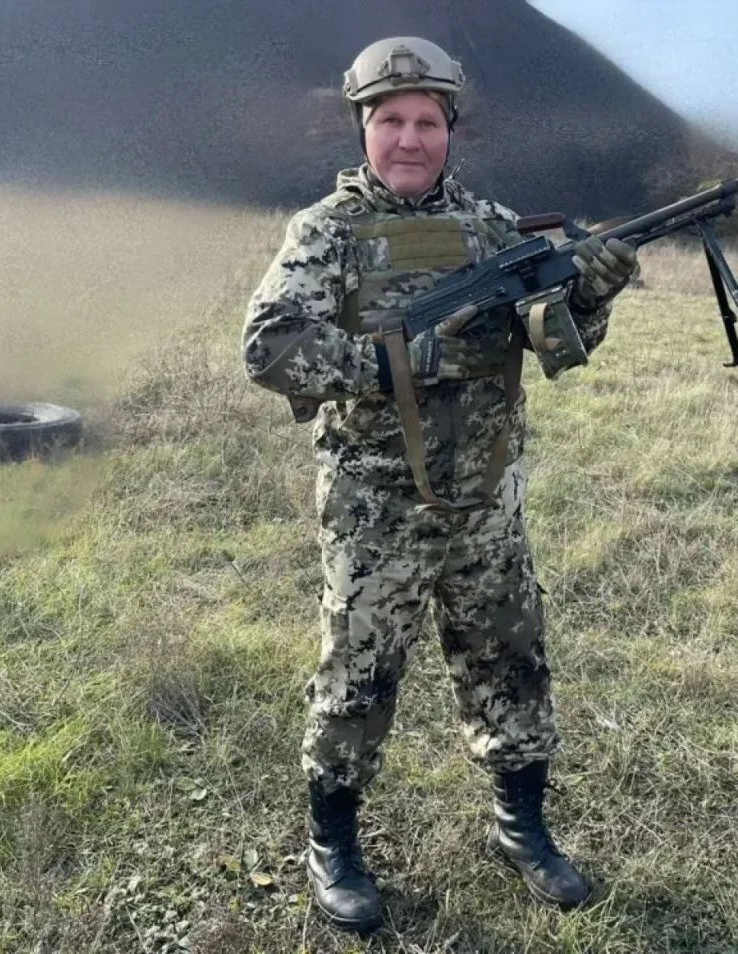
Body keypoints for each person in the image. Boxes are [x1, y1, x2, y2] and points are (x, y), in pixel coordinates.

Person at [241, 36, 637, 933]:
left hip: (487, 498)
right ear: (363, 128)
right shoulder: (327, 232)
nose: (409, 139)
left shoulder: (496, 229)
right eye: (391, 120)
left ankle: (520, 827)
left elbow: (555, 344)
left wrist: (591, 296)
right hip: (375, 507)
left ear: (450, 130)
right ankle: (333, 846)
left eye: (427, 121)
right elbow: (268, 348)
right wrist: (395, 363)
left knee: (510, 660)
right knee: (359, 675)